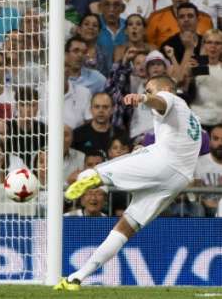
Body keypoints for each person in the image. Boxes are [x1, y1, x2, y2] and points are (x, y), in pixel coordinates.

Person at [55, 75, 201, 291]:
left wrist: (143, 97)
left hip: (164, 162)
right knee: (125, 228)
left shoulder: (172, 99)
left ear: (167, 88)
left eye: (151, 89)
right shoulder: (193, 120)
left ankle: (88, 180)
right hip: (178, 179)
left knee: (100, 170)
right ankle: (76, 277)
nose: (151, 93)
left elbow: (161, 102)